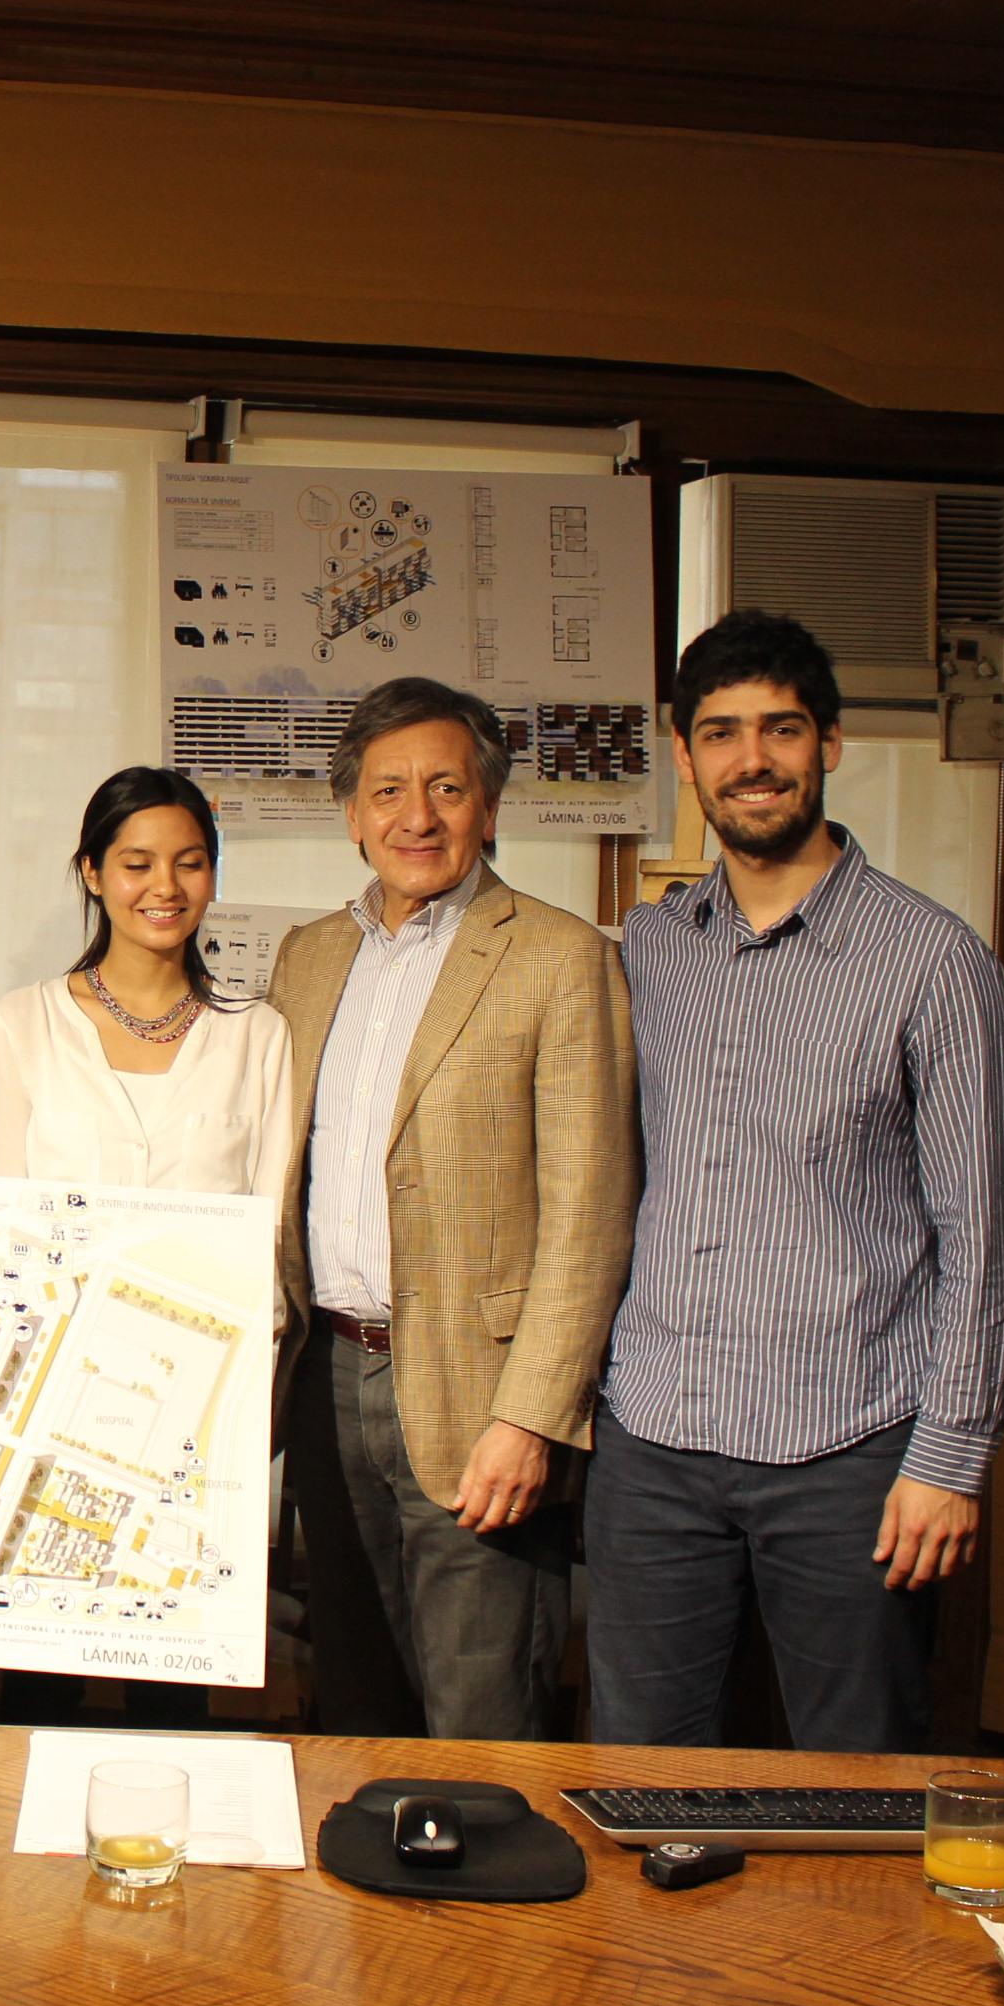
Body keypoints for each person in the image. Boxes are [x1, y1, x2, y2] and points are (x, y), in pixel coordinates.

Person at [588, 611, 1004, 1753]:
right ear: (684, 758)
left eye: (780, 729)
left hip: (853, 1448)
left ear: (828, 744)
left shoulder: (933, 962)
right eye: (721, 734)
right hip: (654, 1437)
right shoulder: (652, 949)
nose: (752, 761)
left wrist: (949, 1460)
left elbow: (984, 1242)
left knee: (861, 1776)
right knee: (641, 1779)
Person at [266, 678, 636, 1741]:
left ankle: (483, 1916)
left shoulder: (559, 958)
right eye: (387, 791)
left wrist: (531, 1419)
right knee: (353, 1708)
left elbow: (591, 1213)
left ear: (490, 806)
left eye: (445, 788)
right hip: (327, 1387)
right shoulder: (309, 957)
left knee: (482, 1727)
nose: (415, 816)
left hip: (480, 1401)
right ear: (351, 814)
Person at [0, 766, 291, 1201]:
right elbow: (1, 1209)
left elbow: (269, 1225)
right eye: (138, 865)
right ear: (92, 873)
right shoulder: (21, 1024)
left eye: (190, 864)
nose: (166, 887)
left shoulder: (259, 1033)